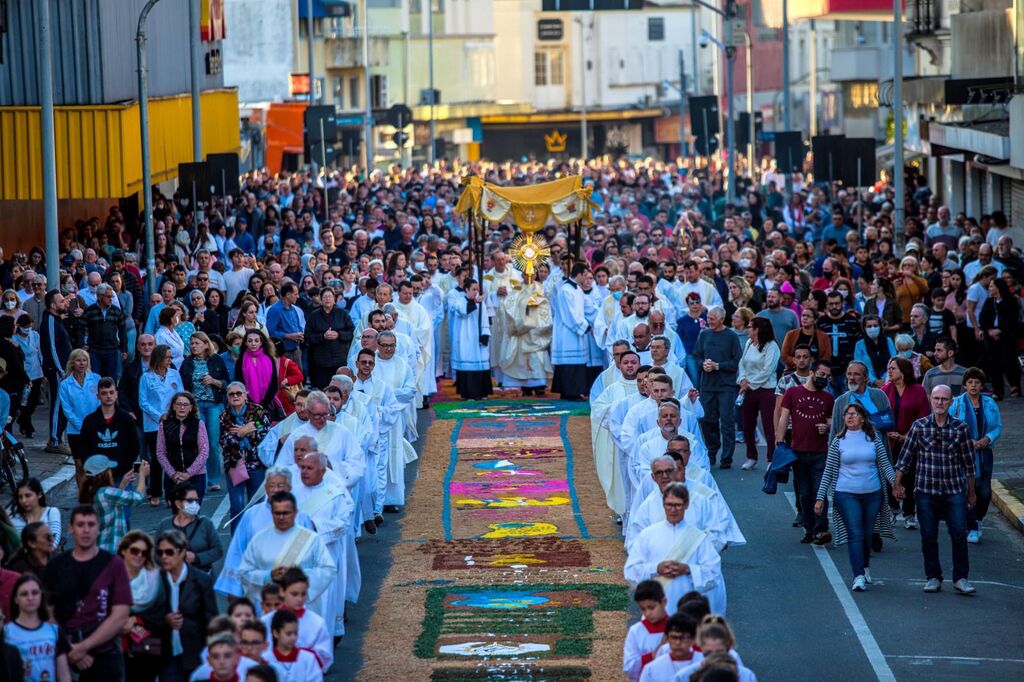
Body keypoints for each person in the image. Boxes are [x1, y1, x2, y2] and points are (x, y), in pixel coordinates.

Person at [894, 385, 977, 594]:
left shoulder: (961, 428)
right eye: (936, 398)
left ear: (951, 402)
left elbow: (969, 464)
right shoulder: (919, 426)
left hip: (954, 490)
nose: (940, 403)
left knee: (958, 533)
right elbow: (904, 458)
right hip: (925, 490)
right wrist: (897, 483)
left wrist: (971, 492)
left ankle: (960, 578)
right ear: (931, 400)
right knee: (928, 535)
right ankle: (933, 576)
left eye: (944, 399)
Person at [42, 504, 132, 681]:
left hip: (107, 654)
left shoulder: (114, 564)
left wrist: (83, 647)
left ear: (98, 528)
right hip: (65, 654)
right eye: (80, 524)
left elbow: (120, 614)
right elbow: (48, 613)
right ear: (70, 529)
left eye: (91, 524)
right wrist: (69, 648)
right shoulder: (56, 565)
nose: (86, 530)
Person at [815, 402, 896, 592]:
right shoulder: (838, 440)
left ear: (862, 418)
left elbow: (885, 465)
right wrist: (820, 497)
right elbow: (828, 470)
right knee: (855, 533)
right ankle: (858, 574)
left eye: (854, 414)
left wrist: (896, 485)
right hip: (845, 493)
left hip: (872, 493)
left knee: (867, 534)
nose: (850, 417)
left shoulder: (873, 438)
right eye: (847, 415)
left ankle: (865, 565)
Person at [213, 469, 316, 599]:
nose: (275, 490)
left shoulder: (301, 518)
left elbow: (311, 555)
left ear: (289, 488)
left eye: (280, 486)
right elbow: (237, 551)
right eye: (272, 485)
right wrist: (233, 588)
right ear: (266, 488)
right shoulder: (251, 515)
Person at [625, 483, 724, 616]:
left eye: (678, 505)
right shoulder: (647, 535)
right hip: (655, 612)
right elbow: (631, 571)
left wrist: (687, 569)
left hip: (689, 610)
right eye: (669, 505)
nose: (673, 510)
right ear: (663, 504)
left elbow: (713, 573)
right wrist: (656, 568)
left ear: (686, 505)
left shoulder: (699, 538)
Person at [236, 492, 336, 612]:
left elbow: (328, 569)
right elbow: (244, 572)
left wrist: (297, 579)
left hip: (303, 607)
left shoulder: (311, 539)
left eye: (286, 513)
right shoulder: (258, 540)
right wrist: (269, 575)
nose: (281, 517)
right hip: (269, 609)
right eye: (277, 513)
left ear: (295, 513)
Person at [140, 530, 218, 681]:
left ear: (182, 552)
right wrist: (165, 620)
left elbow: (211, 620)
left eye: (169, 552)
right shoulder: (154, 581)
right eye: (160, 552)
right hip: (166, 655)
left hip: (196, 653)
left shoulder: (202, 581)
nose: (164, 557)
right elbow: (146, 616)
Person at [777, 359, 835, 545]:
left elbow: (832, 420)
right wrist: (779, 442)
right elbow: (784, 417)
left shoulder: (828, 398)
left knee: (820, 490)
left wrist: (826, 426)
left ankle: (821, 529)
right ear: (811, 373)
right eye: (821, 375)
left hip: (820, 451)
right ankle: (809, 529)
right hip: (798, 450)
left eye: (827, 376)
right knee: (804, 492)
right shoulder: (793, 392)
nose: (824, 379)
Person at [950, 368, 1001, 544]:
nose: (973, 385)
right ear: (965, 385)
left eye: (977, 382)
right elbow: (950, 425)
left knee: (985, 491)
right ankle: (971, 526)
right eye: (970, 382)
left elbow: (998, 426)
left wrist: (988, 438)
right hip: (963, 453)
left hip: (985, 453)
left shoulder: (990, 404)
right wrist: (967, 440)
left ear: (981, 385)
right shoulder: (956, 404)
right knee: (967, 488)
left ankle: (979, 519)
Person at [881, 356, 930, 531]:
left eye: (893, 368)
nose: (890, 370)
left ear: (903, 371)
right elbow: (879, 414)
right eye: (889, 368)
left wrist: (907, 436)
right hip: (890, 442)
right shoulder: (885, 390)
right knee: (890, 476)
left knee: (910, 478)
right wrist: (887, 431)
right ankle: (893, 509)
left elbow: (924, 415)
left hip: (912, 442)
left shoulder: (917, 390)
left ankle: (910, 513)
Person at [180, 331, 231, 492]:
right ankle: (200, 477)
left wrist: (213, 381)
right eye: (192, 343)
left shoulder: (216, 360)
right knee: (198, 443)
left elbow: (227, 383)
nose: (194, 346)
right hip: (195, 406)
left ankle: (214, 479)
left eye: (197, 343)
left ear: (206, 344)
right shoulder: (187, 362)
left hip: (214, 404)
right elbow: (182, 385)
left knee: (213, 443)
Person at [692, 306, 741, 468]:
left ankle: (727, 457)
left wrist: (718, 366)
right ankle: (712, 451)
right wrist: (703, 364)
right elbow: (697, 356)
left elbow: (736, 361)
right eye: (709, 318)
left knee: (727, 422)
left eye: (712, 319)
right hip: (707, 385)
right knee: (707, 420)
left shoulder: (731, 337)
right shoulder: (704, 335)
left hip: (726, 386)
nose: (709, 321)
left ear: (721, 319)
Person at [220, 382, 274, 528]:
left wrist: (243, 434)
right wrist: (242, 433)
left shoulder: (258, 412)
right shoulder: (224, 416)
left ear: (246, 395)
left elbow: (265, 435)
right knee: (237, 506)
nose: (235, 396)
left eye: (239, 393)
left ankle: (257, 540)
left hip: (256, 464)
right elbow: (225, 443)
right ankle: (237, 543)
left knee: (256, 506)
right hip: (235, 464)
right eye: (232, 394)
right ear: (227, 397)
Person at [4, 573, 73, 682]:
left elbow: (64, 675)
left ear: (41, 596)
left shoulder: (53, 631)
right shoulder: (6, 633)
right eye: (24, 594)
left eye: (35, 593)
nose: (30, 598)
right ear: (16, 599)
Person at [139, 345, 185, 505]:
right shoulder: (146, 377)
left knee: (173, 458)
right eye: (167, 357)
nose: (170, 360)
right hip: (153, 424)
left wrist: (174, 414)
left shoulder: (174, 374)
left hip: (173, 421)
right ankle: (155, 492)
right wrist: (159, 416)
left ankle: (172, 494)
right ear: (159, 358)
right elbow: (143, 402)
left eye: (171, 357)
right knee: (157, 458)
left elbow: (181, 395)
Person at [79, 455, 150, 553]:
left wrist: (123, 485)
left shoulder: (89, 492)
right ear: (104, 474)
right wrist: (142, 476)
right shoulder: (106, 492)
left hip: (99, 548)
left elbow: (110, 506)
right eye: (108, 470)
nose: (111, 472)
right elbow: (138, 498)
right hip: (111, 550)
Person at [118, 530, 163, 680]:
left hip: (146, 645)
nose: (139, 556)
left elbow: (161, 613)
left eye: (144, 552)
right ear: (124, 551)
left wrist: (135, 620)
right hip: (116, 645)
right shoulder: (111, 577)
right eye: (135, 551)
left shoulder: (154, 579)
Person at [737, 316, 780, 469]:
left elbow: (768, 370)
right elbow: (742, 362)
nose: (748, 329)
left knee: (769, 425)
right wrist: (742, 379)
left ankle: (771, 459)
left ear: (758, 330)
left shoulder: (772, 346)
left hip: (766, 389)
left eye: (750, 327)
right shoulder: (749, 343)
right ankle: (751, 456)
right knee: (747, 424)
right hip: (748, 389)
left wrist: (750, 383)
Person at [79, 376, 139, 481]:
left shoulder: (126, 419)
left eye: (111, 392)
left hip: (122, 475)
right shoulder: (89, 421)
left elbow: (134, 446)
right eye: (104, 393)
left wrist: (126, 466)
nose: (108, 396)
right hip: (97, 476)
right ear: (98, 396)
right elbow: (84, 449)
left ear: (116, 394)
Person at [57, 348, 101, 488]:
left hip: (95, 428)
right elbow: (67, 410)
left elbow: (101, 403)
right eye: (78, 360)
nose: (81, 363)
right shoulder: (65, 384)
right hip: (75, 431)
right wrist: (82, 426)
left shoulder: (96, 379)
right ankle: (83, 494)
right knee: (79, 464)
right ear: (72, 363)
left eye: (84, 360)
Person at [156, 392, 211, 503]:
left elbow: (204, 451)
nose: (182, 407)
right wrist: (172, 474)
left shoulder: (199, 424)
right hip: (173, 477)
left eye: (185, 405)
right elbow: (160, 452)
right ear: (174, 406)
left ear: (191, 408)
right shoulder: (164, 425)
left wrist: (188, 473)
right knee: (177, 515)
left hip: (196, 476)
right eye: (179, 404)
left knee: (194, 511)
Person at [156, 483, 224, 573]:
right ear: (178, 504)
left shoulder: (206, 523)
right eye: (190, 500)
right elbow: (154, 553)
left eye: (196, 500)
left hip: (202, 576)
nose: (195, 504)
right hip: (173, 578)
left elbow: (218, 551)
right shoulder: (164, 525)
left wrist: (196, 558)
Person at [447, 277, 494, 400]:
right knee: (467, 363)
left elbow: (485, 319)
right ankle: (468, 393)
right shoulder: (460, 301)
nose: (476, 292)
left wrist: (485, 334)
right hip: (465, 338)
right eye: (473, 289)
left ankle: (482, 392)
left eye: (477, 290)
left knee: (482, 362)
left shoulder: (481, 303)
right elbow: (464, 311)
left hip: (478, 337)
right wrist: (474, 302)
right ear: (466, 290)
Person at [551, 263, 591, 400]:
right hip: (568, 333)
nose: (586, 278)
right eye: (585, 274)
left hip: (575, 333)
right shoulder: (565, 290)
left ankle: (574, 391)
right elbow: (570, 314)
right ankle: (569, 392)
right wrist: (585, 326)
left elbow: (587, 308)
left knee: (577, 363)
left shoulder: (578, 290)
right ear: (579, 274)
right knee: (569, 363)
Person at [978, 277, 1021, 399]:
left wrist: (1000, 330)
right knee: (994, 363)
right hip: (991, 338)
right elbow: (983, 318)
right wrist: (989, 330)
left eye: (992, 286)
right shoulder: (989, 302)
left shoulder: (1010, 301)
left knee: (1008, 361)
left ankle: (1015, 385)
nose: (989, 289)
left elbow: (1012, 320)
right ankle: (998, 391)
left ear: (998, 288)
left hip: (1006, 337)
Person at [304, 288, 354, 389]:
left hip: (340, 359)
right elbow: (308, 337)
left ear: (334, 299)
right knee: (323, 389)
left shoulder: (343, 314)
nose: (327, 299)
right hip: (321, 361)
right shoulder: (314, 316)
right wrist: (322, 336)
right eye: (324, 297)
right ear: (321, 300)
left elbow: (351, 332)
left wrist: (338, 335)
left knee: (340, 389)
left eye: (330, 296)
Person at [623, 580, 669, 681]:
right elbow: (629, 667)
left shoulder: (677, 627)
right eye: (643, 609)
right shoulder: (636, 631)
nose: (647, 613)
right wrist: (653, 655)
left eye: (651, 608)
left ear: (664, 602)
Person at [81, 282, 128, 381]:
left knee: (111, 379)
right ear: (100, 297)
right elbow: (80, 327)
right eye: (108, 296)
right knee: (95, 379)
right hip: (95, 350)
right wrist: (82, 344)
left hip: (111, 349)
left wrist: (124, 349)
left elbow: (123, 330)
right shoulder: (90, 311)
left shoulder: (116, 311)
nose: (111, 299)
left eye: (111, 296)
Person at [637, 613, 700, 682]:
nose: (677, 642)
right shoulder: (651, 670)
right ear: (666, 638)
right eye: (673, 637)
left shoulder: (705, 663)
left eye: (683, 638)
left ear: (693, 639)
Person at [268, 609, 323, 681]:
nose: (293, 638)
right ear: (276, 633)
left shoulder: (308, 659)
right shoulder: (266, 660)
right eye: (288, 634)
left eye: (295, 633)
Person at [9, 477, 62, 549]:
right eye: (20, 497)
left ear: (39, 494)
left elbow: (55, 540)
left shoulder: (51, 512)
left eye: (28, 496)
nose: (24, 501)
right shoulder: (15, 519)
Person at [265, 282, 305, 364]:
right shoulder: (275, 310)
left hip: (296, 350)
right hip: (283, 352)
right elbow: (270, 331)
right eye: (296, 294)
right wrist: (288, 336)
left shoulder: (294, 309)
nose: (298, 296)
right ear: (288, 295)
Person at [273, 338, 304, 416]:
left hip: (285, 399)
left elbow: (299, 376)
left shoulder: (286, 362)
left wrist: (287, 380)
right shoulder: (265, 361)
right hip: (273, 398)